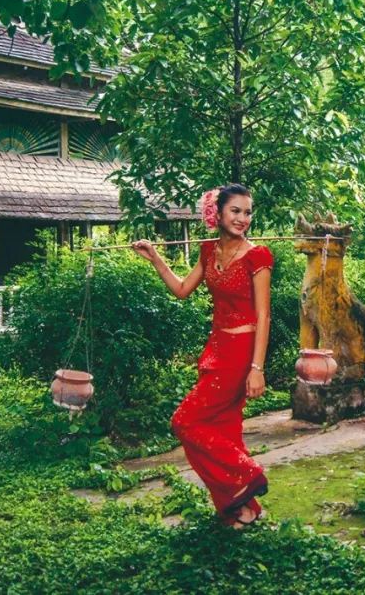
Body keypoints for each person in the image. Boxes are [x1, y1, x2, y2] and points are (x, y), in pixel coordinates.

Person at [132, 184, 273, 528]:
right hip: (215, 350)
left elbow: (264, 315)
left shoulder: (258, 256)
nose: (243, 219)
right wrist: (155, 258)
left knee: (185, 421)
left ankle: (248, 472)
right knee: (223, 431)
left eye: (248, 212)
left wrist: (257, 368)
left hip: (241, 354)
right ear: (218, 213)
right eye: (236, 211)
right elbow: (182, 290)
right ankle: (241, 509)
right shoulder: (208, 251)